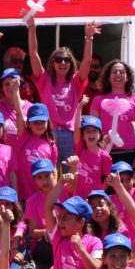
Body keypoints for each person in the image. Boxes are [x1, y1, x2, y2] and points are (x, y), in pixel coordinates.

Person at [28, 19, 99, 164]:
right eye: (58, 59)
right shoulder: (44, 79)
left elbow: (86, 61)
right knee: (49, 173)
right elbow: (33, 54)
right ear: (52, 63)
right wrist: (31, 27)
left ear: (71, 63)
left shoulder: (75, 81)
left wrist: (89, 38)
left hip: (70, 134)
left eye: (66, 59)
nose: (62, 63)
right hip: (49, 133)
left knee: (70, 176)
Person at [91, 59, 135, 166]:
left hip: (130, 153)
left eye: (121, 72)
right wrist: (101, 139)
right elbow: (92, 128)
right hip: (105, 151)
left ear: (127, 77)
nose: (118, 74)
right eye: (114, 72)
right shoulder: (97, 100)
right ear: (108, 77)